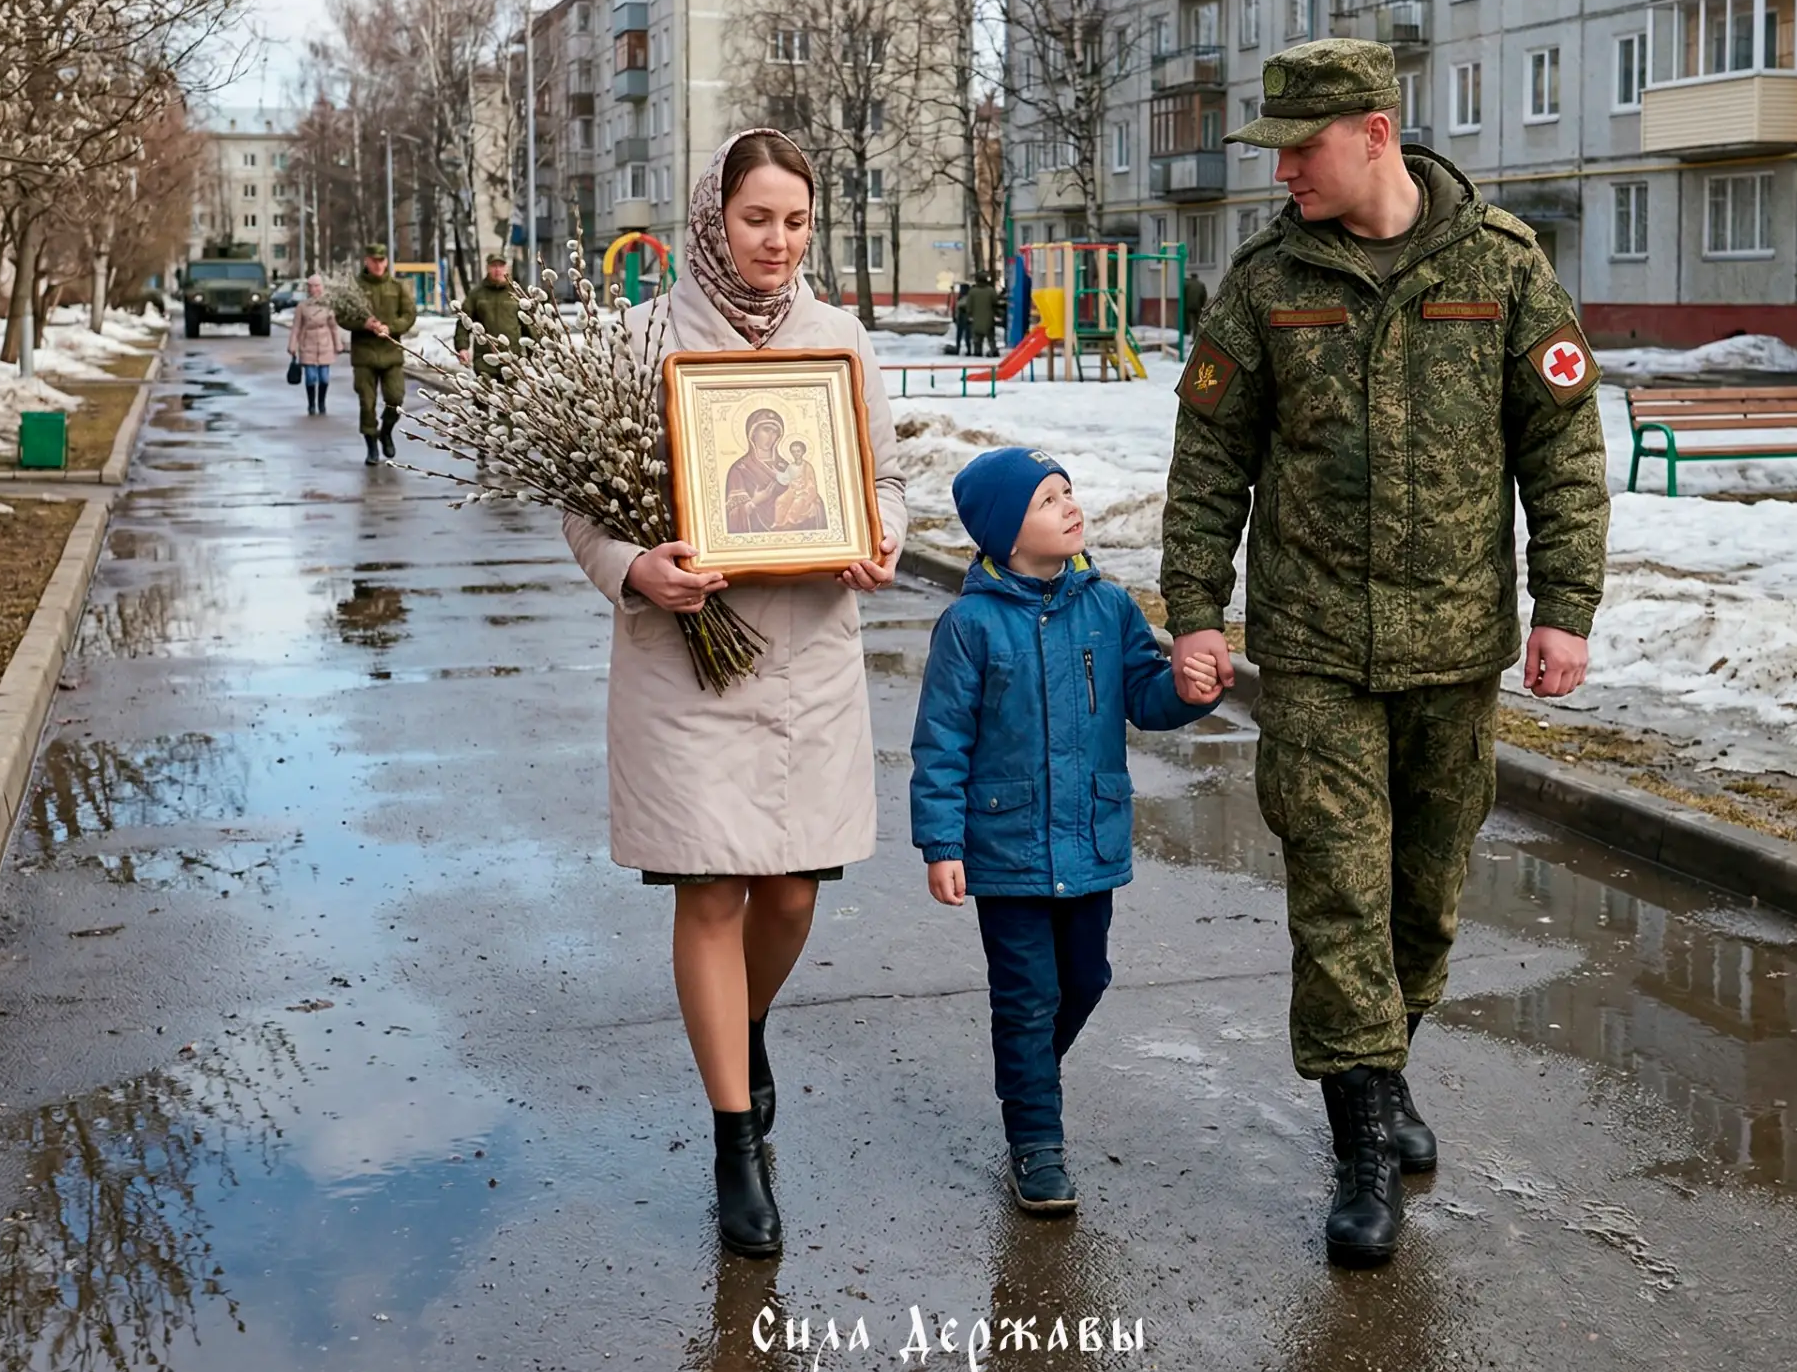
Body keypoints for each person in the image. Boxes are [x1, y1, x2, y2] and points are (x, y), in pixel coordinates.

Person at [1159, 39, 1608, 1268]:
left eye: (1301, 148)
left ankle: (1385, 1063)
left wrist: (1566, 605)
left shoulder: (1502, 265)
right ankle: (1360, 1138)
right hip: (1314, 646)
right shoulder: (1265, 280)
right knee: (1339, 890)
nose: (1283, 171)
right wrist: (1195, 609)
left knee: (1427, 893)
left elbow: (1564, 448)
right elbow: (1210, 461)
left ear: (1375, 132)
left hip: (1456, 647)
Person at [560, 128, 906, 1259]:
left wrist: (879, 535)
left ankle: (744, 1023)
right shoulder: (642, 339)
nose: (779, 242)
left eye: (797, 222)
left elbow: (886, 478)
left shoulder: (838, 340)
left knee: (792, 892)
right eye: (758, 219)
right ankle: (733, 1141)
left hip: (808, 659)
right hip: (686, 664)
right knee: (710, 890)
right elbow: (584, 507)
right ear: (714, 218)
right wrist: (635, 568)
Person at [909, 448, 1222, 1215]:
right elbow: (941, 742)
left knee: (1085, 980)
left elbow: (1144, 695)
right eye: (1048, 500)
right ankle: (1037, 1145)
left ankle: (1027, 1077)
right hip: (1006, 848)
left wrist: (1188, 692)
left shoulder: (1108, 607)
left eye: (1069, 492)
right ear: (1005, 532)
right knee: (1027, 997)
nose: (1070, 506)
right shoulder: (970, 626)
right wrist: (942, 844)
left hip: (1088, 838)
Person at [335, 244, 416, 467]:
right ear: (367, 261)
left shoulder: (397, 287)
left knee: (395, 399)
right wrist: (363, 324)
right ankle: (371, 444)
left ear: (386, 262)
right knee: (367, 403)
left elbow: (409, 315)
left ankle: (386, 431)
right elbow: (341, 316)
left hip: (391, 355)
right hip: (365, 356)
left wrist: (391, 327)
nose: (378, 265)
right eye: (374, 260)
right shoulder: (355, 288)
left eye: (381, 260)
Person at [455, 251, 523, 380]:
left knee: (512, 392)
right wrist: (462, 347)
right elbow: (463, 322)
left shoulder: (516, 293)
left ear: (506, 268)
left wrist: (536, 350)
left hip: (512, 358)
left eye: (500, 266)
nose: (497, 270)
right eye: (494, 266)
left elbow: (528, 324)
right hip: (484, 359)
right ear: (487, 268)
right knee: (486, 391)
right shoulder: (477, 294)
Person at [286, 275, 343, 416]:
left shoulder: (328, 305)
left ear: (322, 287)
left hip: (325, 344)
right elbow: (296, 327)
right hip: (307, 344)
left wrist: (338, 344)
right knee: (311, 377)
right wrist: (292, 345)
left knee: (324, 378)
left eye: (317, 286)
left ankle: (321, 403)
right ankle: (311, 404)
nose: (314, 289)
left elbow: (333, 327)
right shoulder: (302, 306)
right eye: (311, 286)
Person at [964, 271, 1000, 359]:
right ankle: (993, 350)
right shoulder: (991, 290)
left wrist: (969, 315)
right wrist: (996, 313)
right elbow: (995, 302)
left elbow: (969, 305)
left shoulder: (972, 291)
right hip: (988, 318)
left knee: (977, 337)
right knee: (991, 337)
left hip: (976, 318)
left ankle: (978, 351)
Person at [1182, 270, 1208, 342]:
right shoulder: (1201, 284)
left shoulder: (1187, 284)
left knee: (1188, 322)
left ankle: (1187, 336)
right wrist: (1203, 306)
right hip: (1197, 307)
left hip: (1188, 307)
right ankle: (1194, 338)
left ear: (1191, 277)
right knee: (1196, 323)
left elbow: (1183, 295)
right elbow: (1204, 296)